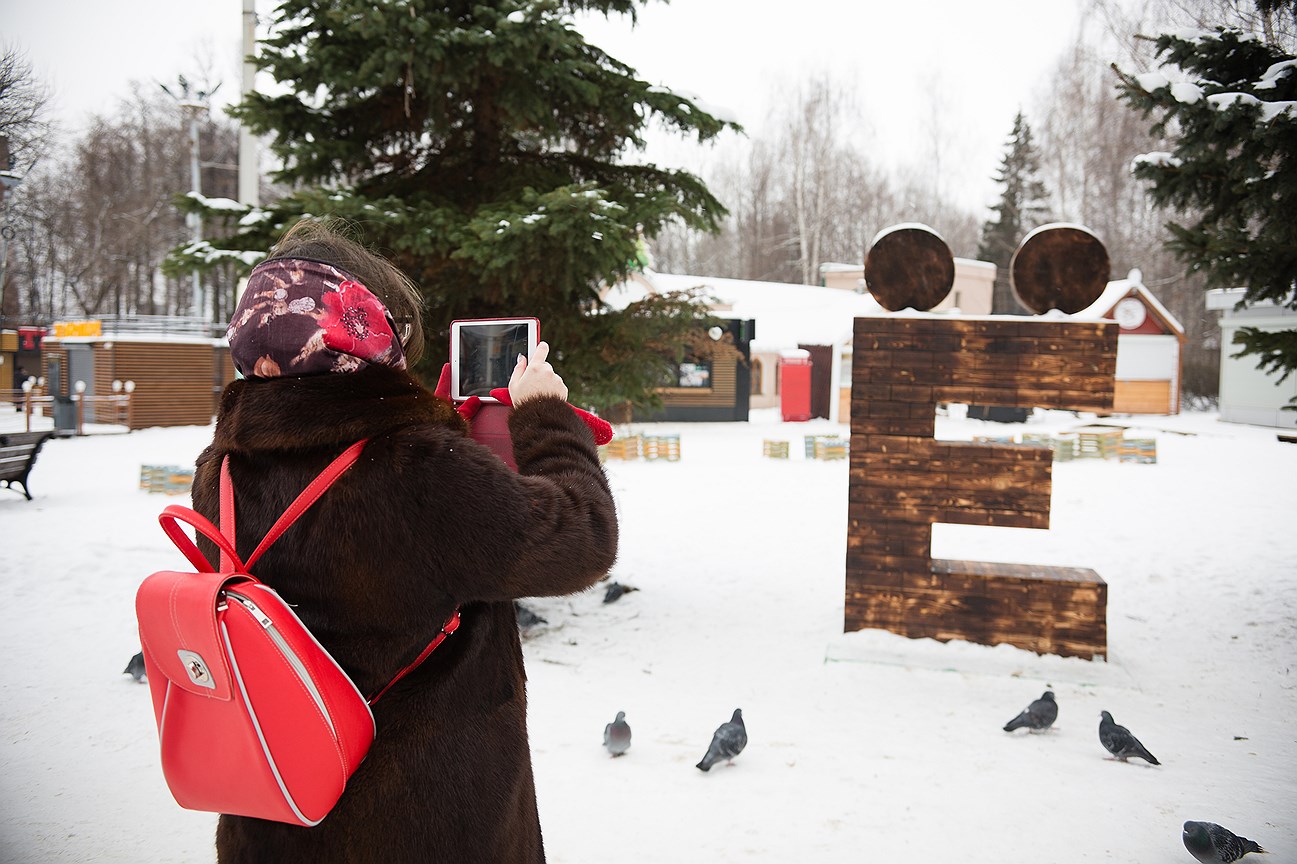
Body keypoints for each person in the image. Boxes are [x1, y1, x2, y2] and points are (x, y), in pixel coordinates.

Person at [191, 219, 618, 863]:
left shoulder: (219, 471)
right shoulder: (418, 471)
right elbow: (583, 534)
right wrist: (546, 416)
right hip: (424, 825)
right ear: (370, 334)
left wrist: (446, 432)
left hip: (278, 814)